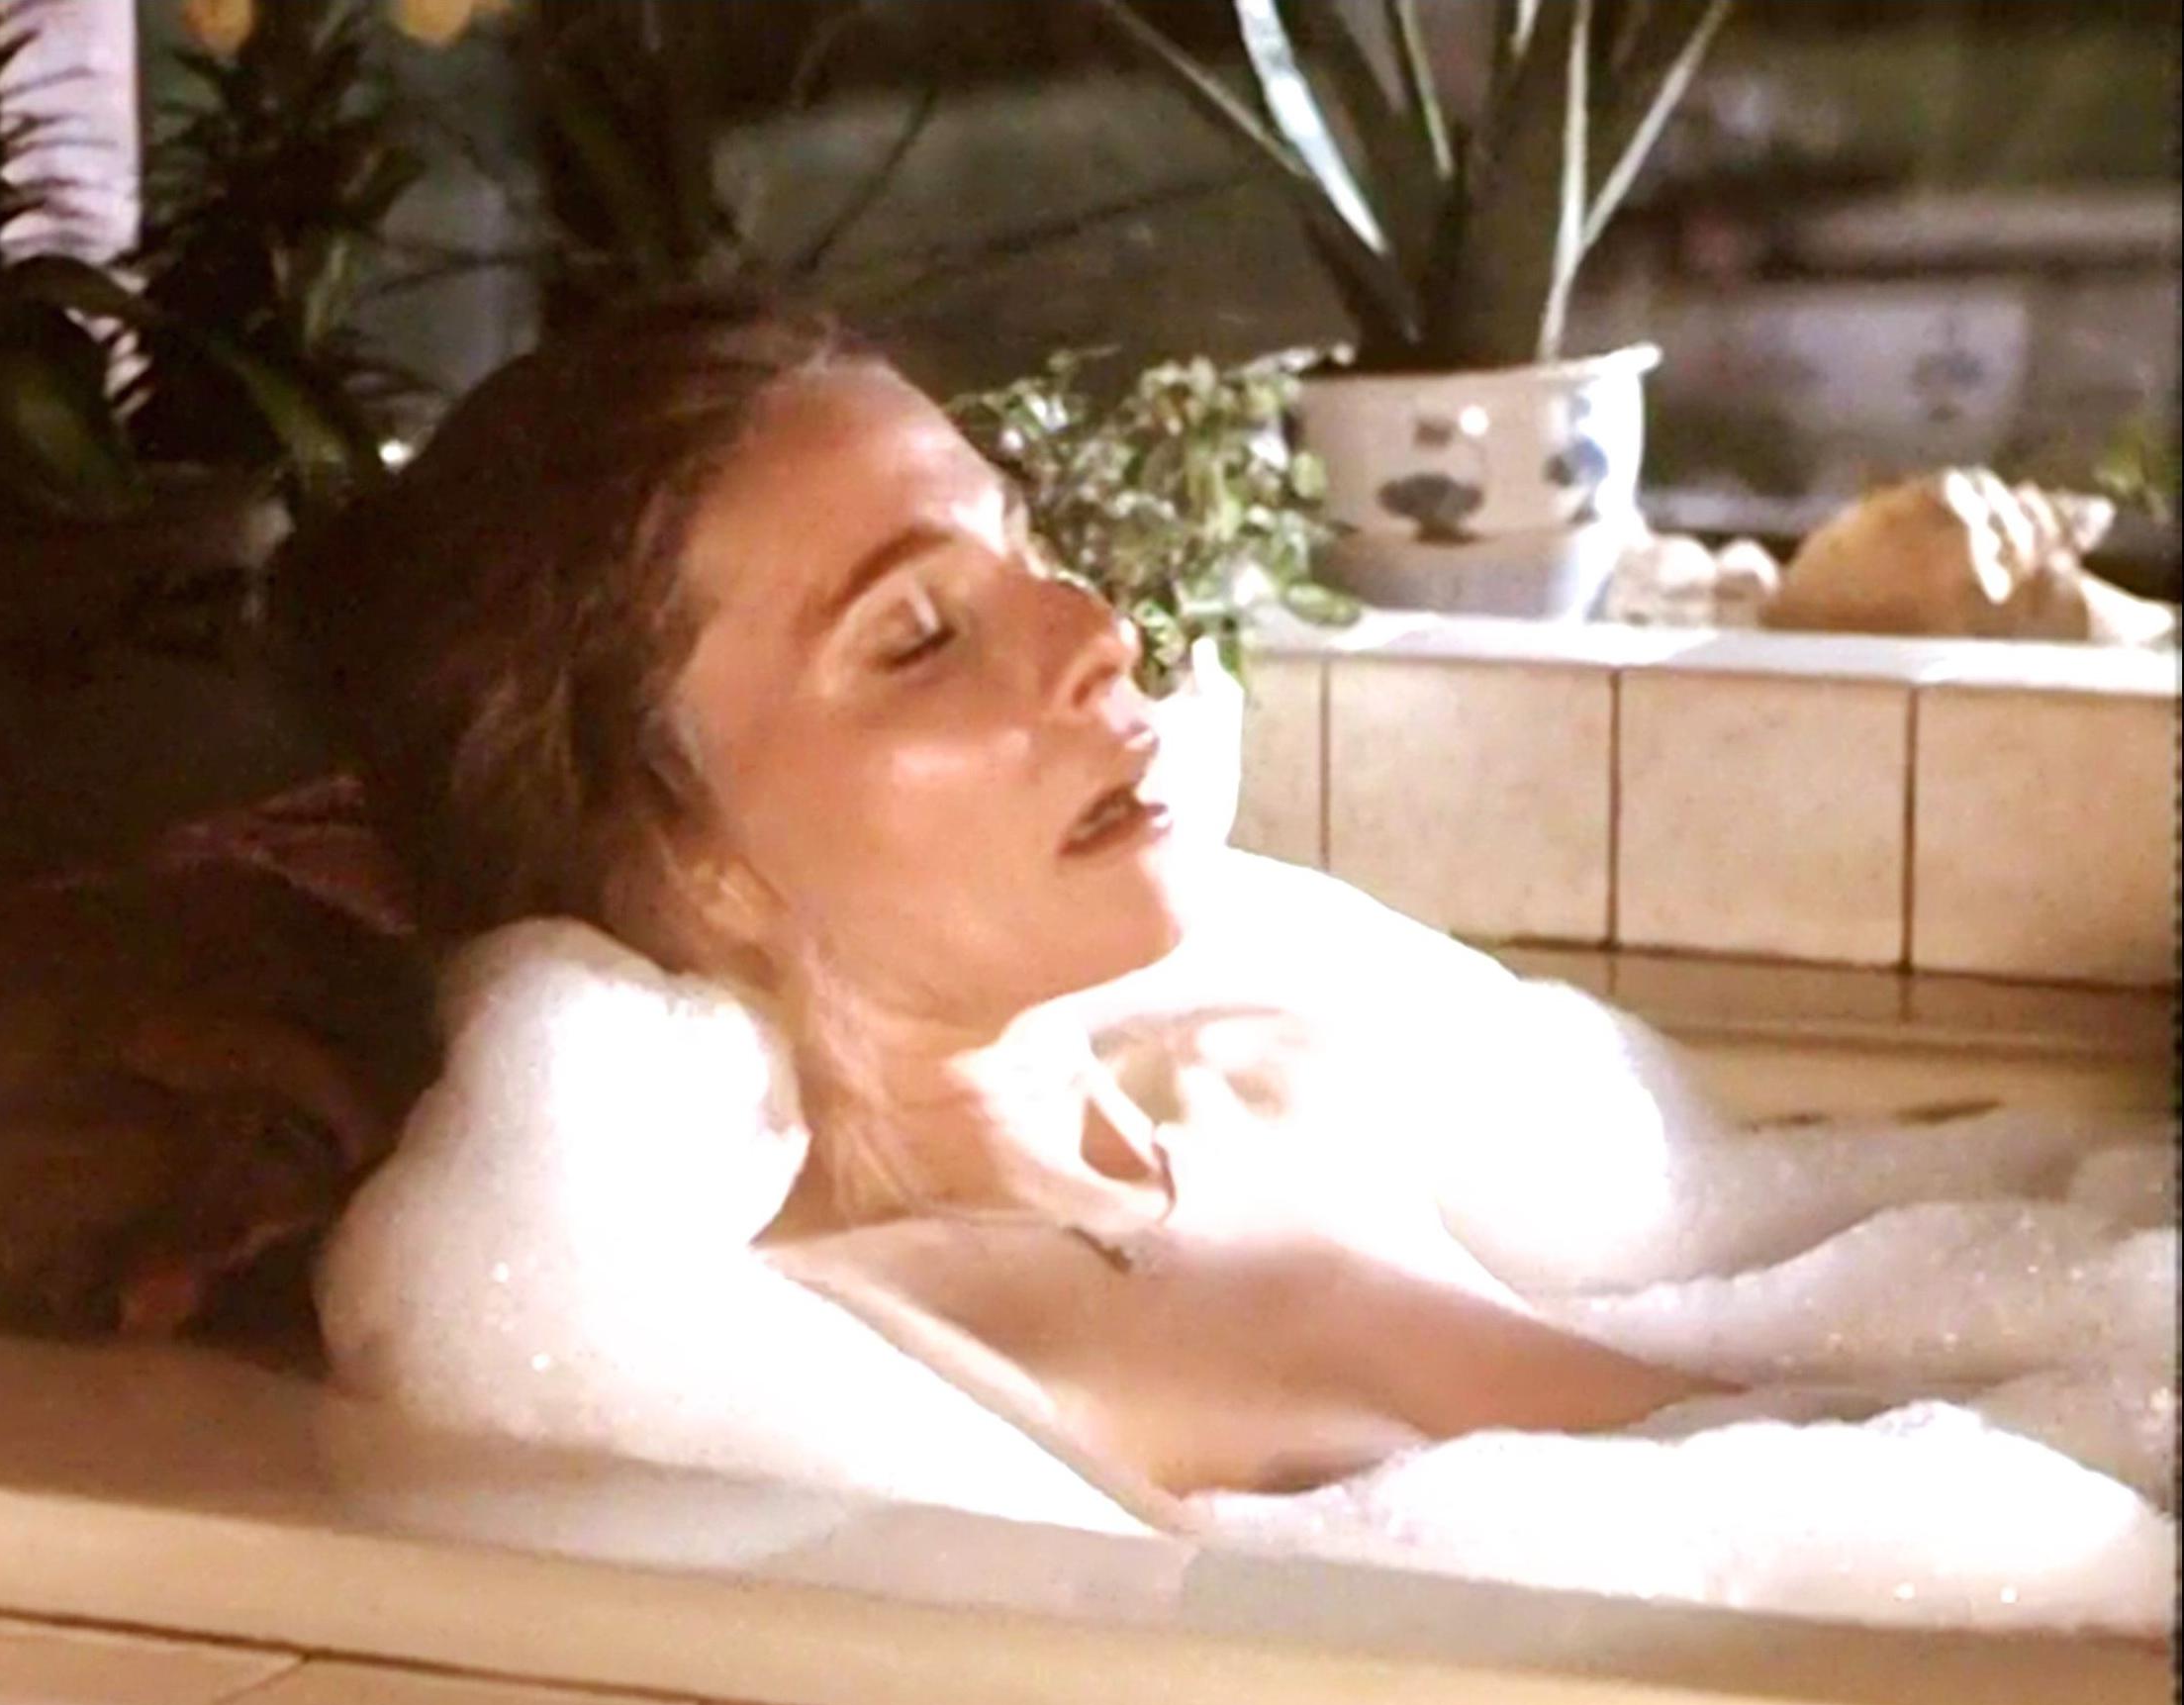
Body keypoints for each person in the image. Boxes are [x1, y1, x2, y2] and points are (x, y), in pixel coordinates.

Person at [278, 288, 1727, 1497]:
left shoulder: (1286, 1076)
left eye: (1031, 550)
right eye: (917, 635)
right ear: (693, 865)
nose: (1099, 632)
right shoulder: (857, 1384)